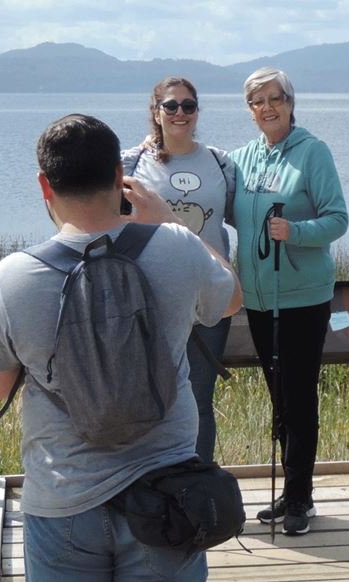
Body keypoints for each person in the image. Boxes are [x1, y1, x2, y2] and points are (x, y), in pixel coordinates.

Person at [0, 114, 241, 582]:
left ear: (45, 185)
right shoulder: (174, 249)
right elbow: (231, 298)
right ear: (120, 177)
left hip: (63, 502)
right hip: (169, 498)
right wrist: (170, 221)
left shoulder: (15, 276)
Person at [232, 67, 348, 536]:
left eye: (275, 98)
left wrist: (295, 232)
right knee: (279, 397)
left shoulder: (313, 152)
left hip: (303, 298)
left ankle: (301, 497)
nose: (267, 108)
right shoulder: (240, 159)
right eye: (257, 101)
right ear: (249, 110)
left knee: (299, 398)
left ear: (291, 102)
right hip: (259, 300)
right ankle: (292, 490)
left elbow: (338, 219)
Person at [123, 76, 236, 462]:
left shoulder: (221, 162)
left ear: (197, 111)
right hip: (152, 300)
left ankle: (198, 486)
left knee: (200, 399)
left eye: (188, 106)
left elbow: (240, 217)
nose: (180, 113)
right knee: (151, 398)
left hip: (209, 295)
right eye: (170, 106)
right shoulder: (131, 162)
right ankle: (157, 484)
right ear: (156, 112)